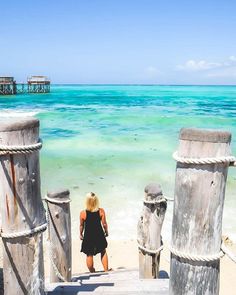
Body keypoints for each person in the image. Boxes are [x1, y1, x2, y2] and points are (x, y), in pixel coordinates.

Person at [80, 192, 109, 272]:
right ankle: (106, 270)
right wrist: (106, 231)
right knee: (103, 251)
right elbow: (104, 224)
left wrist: (80, 234)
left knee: (89, 254)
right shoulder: (101, 211)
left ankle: (92, 271)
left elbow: (81, 225)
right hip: (99, 234)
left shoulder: (83, 213)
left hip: (88, 236)